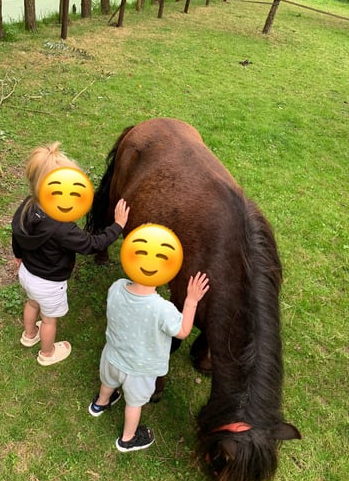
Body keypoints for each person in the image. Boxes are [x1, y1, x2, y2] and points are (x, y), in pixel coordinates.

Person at [11, 142, 129, 366]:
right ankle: (47, 354)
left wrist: (18, 254)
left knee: (32, 303)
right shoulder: (62, 227)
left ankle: (28, 335)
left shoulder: (28, 205)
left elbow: (16, 232)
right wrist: (118, 225)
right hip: (50, 283)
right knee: (48, 320)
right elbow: (93, 244)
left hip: (27, 273)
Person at [88, 271, 210, 452]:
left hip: (112, 356)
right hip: (139, 371)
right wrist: (191, 300)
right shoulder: (162, 309)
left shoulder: (117, 286)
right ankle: (127, 439)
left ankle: (101, 403)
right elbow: (183, 331)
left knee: (108, 382)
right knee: (134, 403)